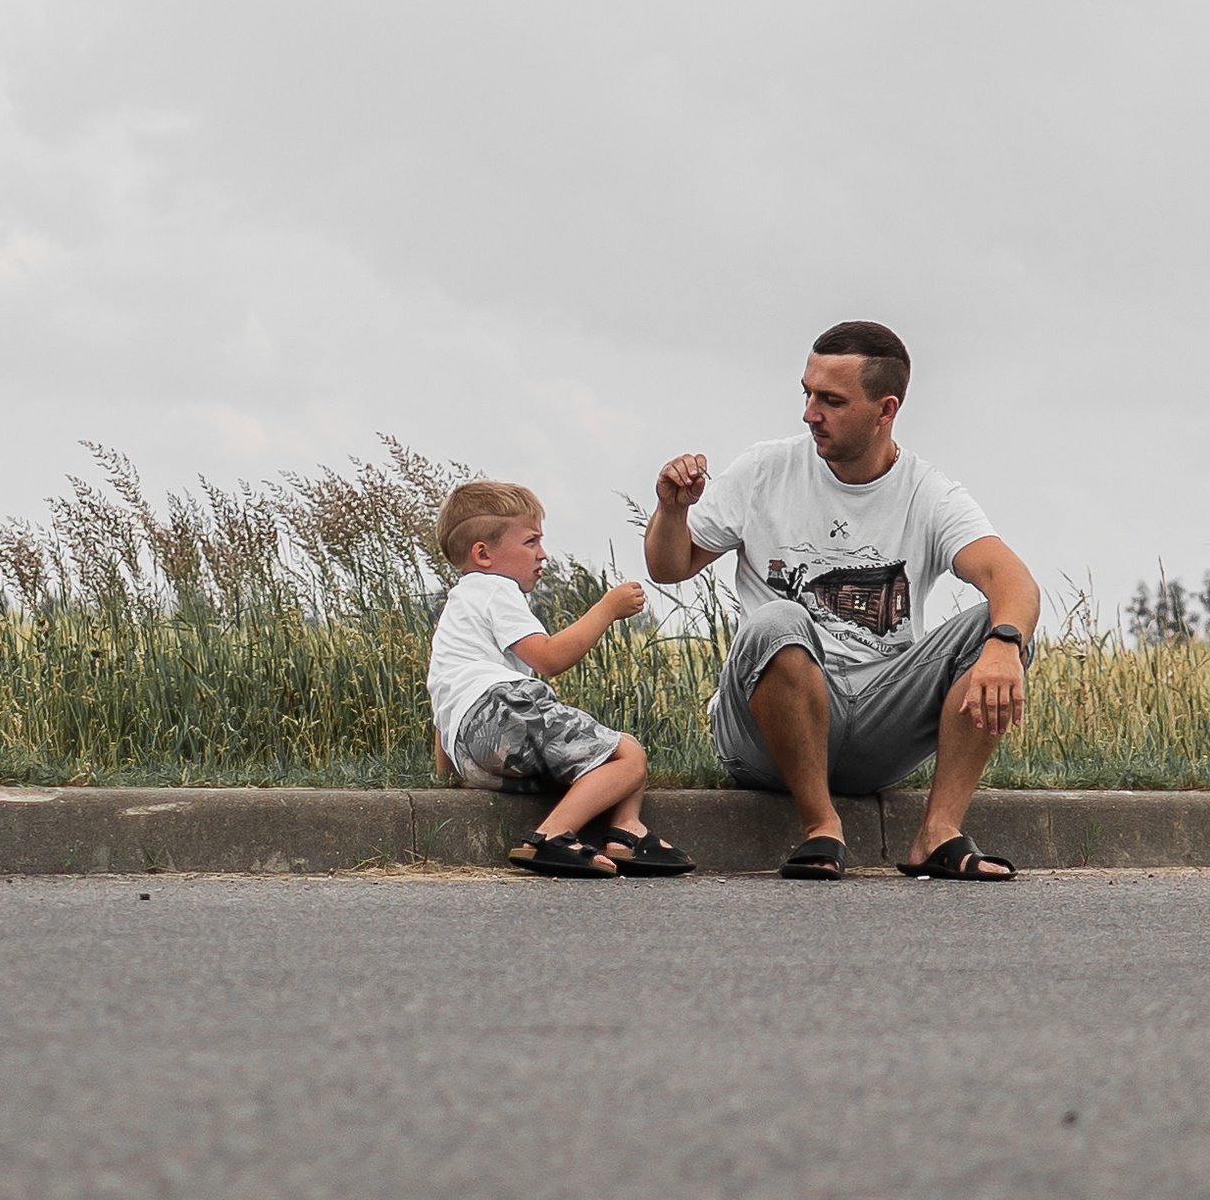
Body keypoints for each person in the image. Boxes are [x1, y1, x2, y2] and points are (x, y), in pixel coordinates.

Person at [642, 322, 1041, 881]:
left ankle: (938, 833)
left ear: (885, 410)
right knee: (777, 620)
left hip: (877, 719)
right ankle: (821, 828)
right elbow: (668, 566)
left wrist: (1003, 646)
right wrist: (673, 510)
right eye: (806, 393)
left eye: (830, 400)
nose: (810, 413)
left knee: (996, 624)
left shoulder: (928, 491)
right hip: (765, 735)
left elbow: (1013, 578)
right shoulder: (764, 470)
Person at [427, 480, 696, 878]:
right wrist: (607, 608)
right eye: (531, 542)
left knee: (618, 751)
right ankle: (555, 834)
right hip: (506, 711)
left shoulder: (456, 607)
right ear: (483, 554)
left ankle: (626, 834)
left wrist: (449, 773)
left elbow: (445, 700)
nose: (543, 554)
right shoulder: (496, 589)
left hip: (472, 752)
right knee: (629, 756)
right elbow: (549, 659)